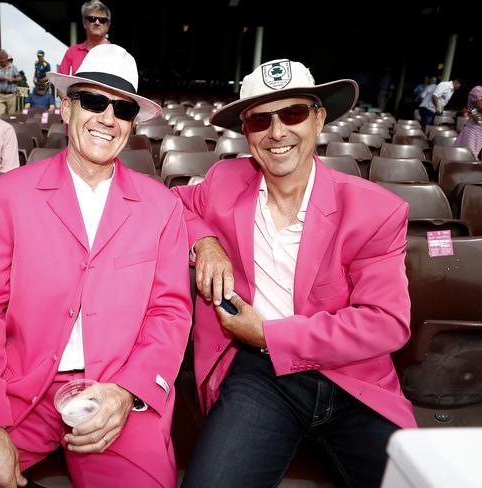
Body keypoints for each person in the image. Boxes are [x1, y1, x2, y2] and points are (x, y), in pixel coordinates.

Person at [0, 44, 192, 488]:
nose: (107, 117)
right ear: (65, 105)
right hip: (16, 391)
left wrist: (128, 391)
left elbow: (170, 313)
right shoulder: (10, 196)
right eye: (94, 101)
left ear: (131, 124)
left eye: (121, 109)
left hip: (116, 393)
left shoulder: (161, 207)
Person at [172, 58, 416, 488]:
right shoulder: (224, 180)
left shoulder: (376, 210)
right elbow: (175, 203)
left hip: (353, 379)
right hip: (260, 378)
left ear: (319, 120)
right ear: (246, 132)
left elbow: (387, 322)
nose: (277, 131)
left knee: (417, 481)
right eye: (261, 120)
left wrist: (268, 335)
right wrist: (205, 242)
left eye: (293, 113)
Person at [59, 1, 111, 77]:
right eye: (92, 19)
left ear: (107, 26)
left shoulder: (117, 54)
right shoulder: (72, 52)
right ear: (84, 23)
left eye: (102, 20)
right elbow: (60, 84)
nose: (97, 22)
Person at [0, 49, 21, 115]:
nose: (1, 60)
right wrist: (0, 79)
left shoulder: (13, 67)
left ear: (7, 58)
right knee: (1, 115)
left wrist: (13, 79)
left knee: (11, 116)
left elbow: (20, 79)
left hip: (11, 95)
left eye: (3, 58)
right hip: (0, 95)